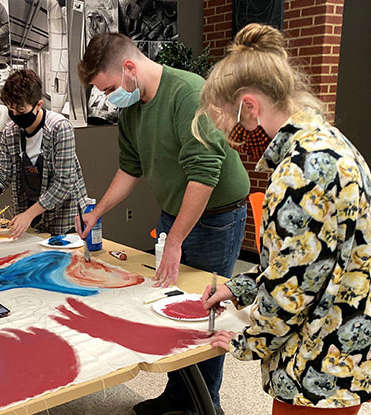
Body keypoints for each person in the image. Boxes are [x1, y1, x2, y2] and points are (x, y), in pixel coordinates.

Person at [196, 23, 371, 415]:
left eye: (231, 125)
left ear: (250, 107)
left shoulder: (300, 171)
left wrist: (243, 342)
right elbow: (310, 262)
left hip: (325, 357)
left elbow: (292, 292)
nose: (237, 139)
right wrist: (240, 288)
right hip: (349, 342)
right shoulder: (330, 142)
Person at [76, 32, 250, 415]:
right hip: (177, 212)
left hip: (218, 214)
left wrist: (174, 241)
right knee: (170, 304)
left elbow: (204, 175)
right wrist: (98, 211)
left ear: (129, 68)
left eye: (107, 88)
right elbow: (130, 168)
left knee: (206, 308)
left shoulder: (188, 93)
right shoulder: (132, 107)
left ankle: (206, 405)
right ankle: (178, 394)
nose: (107, 98)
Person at [0, 69, 87, 238]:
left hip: (65, 217)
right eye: (11, 110)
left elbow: (63, 184)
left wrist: (29, 214)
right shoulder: (10, 132)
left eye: (20, 111)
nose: (15, 116)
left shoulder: (60, 128)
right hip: (30, 214)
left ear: (38, 105)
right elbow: (0, 177)